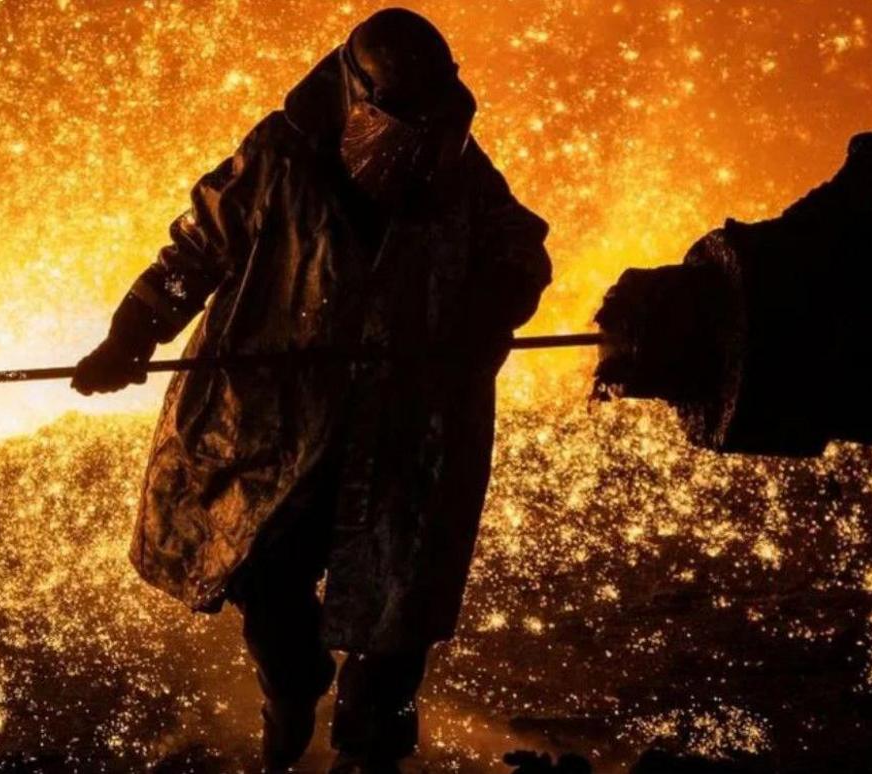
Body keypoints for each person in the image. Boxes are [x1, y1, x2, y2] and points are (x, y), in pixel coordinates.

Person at [72, 8, 550, 772]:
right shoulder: (281, 157)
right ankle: (291, 688)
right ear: (355, 95)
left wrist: (489, 312)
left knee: (395, 615)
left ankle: (368, 753)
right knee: (264, 577)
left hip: (402, 432)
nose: (419, 138)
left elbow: (520, 251)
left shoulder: (458, 172)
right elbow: (196, 249)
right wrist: (132, 334)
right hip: (280, 427)